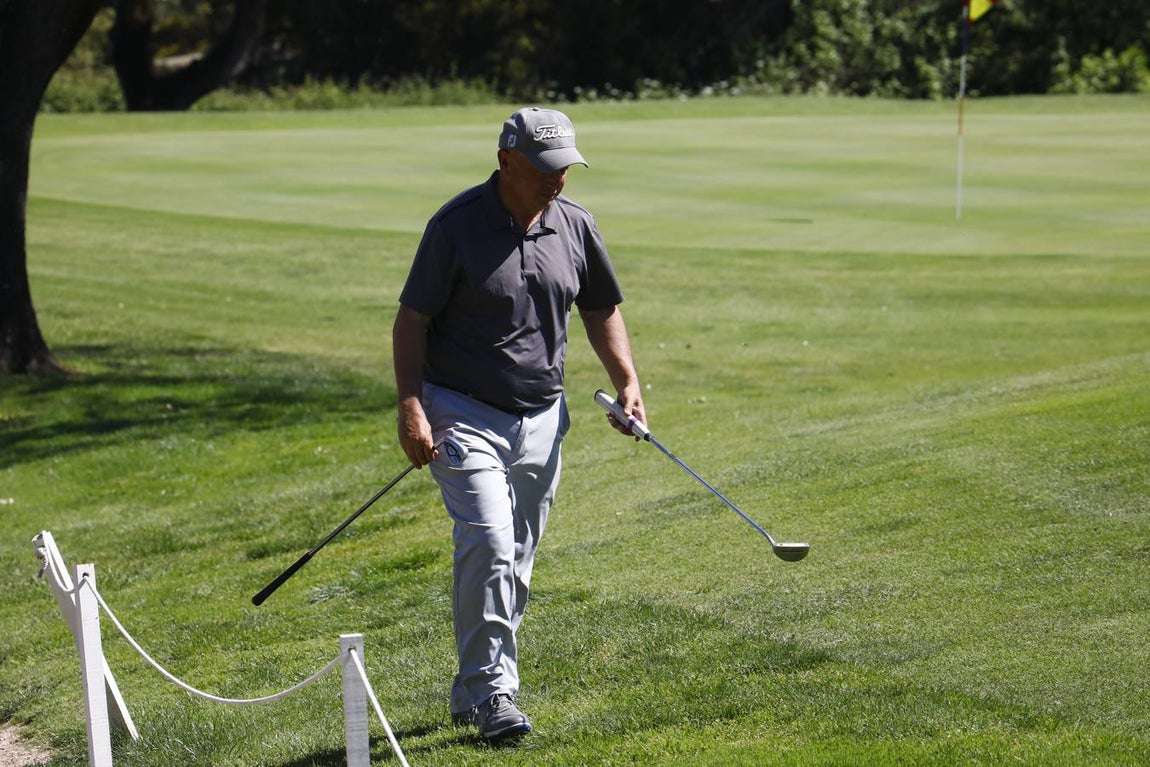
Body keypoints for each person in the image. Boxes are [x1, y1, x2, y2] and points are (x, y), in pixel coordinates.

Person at [392, 106, 646, 741]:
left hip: (542, 416)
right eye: (544, 169)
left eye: (565, 169)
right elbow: (412, 320)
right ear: (506, 161)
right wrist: (411, 405)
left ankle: (477, 689)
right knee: (489, 540)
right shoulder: (454, 226)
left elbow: (601, 307)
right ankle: (492, 696)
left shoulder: (575, 224)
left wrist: (627, 382)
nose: (557, 180)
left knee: (518, 556)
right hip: (462, 410)